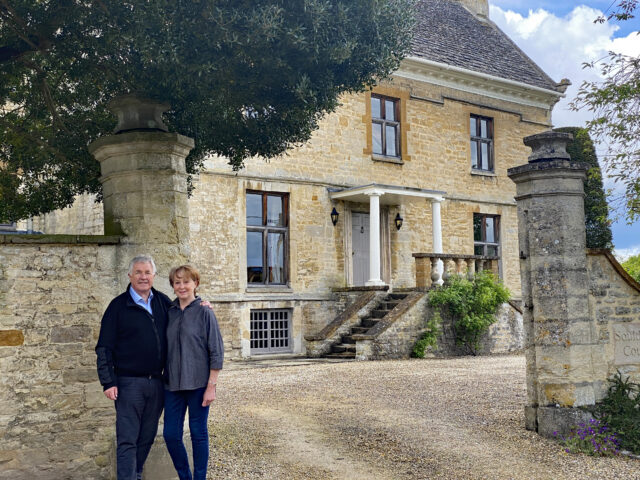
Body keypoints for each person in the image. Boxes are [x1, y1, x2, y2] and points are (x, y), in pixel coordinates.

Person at [96, 255, 171, 480]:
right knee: (128, 439)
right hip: (128, 384)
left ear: (154, 276)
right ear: (129, 275)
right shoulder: (118, 306)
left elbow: (185, 314)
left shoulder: (163, 302)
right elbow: (103, 348)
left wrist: (201, 303)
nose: (143, 277)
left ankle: (135, 474)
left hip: (157, 383)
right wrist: (108, 382)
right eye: (138, 272)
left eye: (147, 272)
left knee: (147, 436)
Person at [163, 265, 224, 480]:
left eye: (186, 282)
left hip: (199, 385)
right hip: (172, 385)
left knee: (198, 435)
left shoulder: (205, 312)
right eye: (177, 282)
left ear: (195, 284)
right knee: (170, 435)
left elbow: (216, 351)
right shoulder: (168, 312)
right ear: (173, 285)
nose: (182, 286)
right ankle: (184, 476)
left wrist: (211, 386)